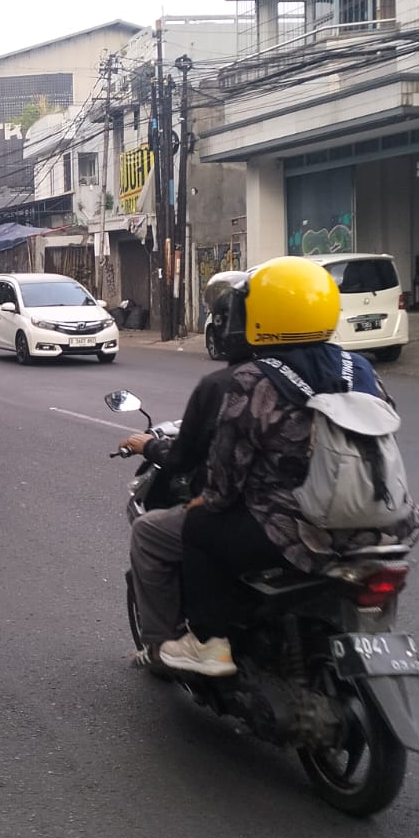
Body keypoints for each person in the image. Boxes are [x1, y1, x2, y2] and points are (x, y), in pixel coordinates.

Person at [159, 256, 419, 678]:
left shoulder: (254, 379)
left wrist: (207, 502)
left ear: (260, 313)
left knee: (199, 526)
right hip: (388, 525)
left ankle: (209, 642)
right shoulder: (360, 368)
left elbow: (227, 473)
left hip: (303, 533)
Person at [121, 276, 251, 670]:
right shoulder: (353, 371)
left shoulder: (235, 383)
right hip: (369, 525)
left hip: (271, 523)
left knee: (159, 530)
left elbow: (190, 457)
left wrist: (152, 447)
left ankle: (178, 645)